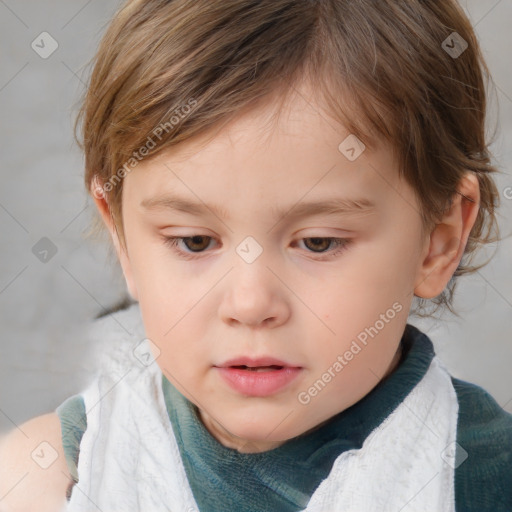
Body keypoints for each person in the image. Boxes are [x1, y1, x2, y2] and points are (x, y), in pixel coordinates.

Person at [1, 0, 511, 510]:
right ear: (123, 239)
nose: (250, 304)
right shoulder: (48, 481)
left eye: (318, 242)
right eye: (194, 241)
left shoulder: (486, 480)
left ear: (437, 241)